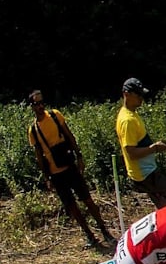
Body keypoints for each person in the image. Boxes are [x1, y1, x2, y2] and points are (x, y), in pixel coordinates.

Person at [28, 91, 113, 249]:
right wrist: (47, 177)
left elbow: (69, 135)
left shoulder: (55, 116)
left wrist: (79, 156)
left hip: (70, 166)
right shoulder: (33, 130)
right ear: (32, 107)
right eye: (37, 104)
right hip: (55, 174)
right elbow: (39, 156)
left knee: (87, 199)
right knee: (72, 206)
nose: (40, 106)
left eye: (42, 102)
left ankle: (105, 231)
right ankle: (89, 235)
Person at [117, 78, 166, 207]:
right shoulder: (127, 121)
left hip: (147, 170)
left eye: (142, 94)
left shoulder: (131, 114)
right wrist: (154, 148)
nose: (141, 98)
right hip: (145, 174)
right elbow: (131, 153)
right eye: (138, 94)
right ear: (126, 94)